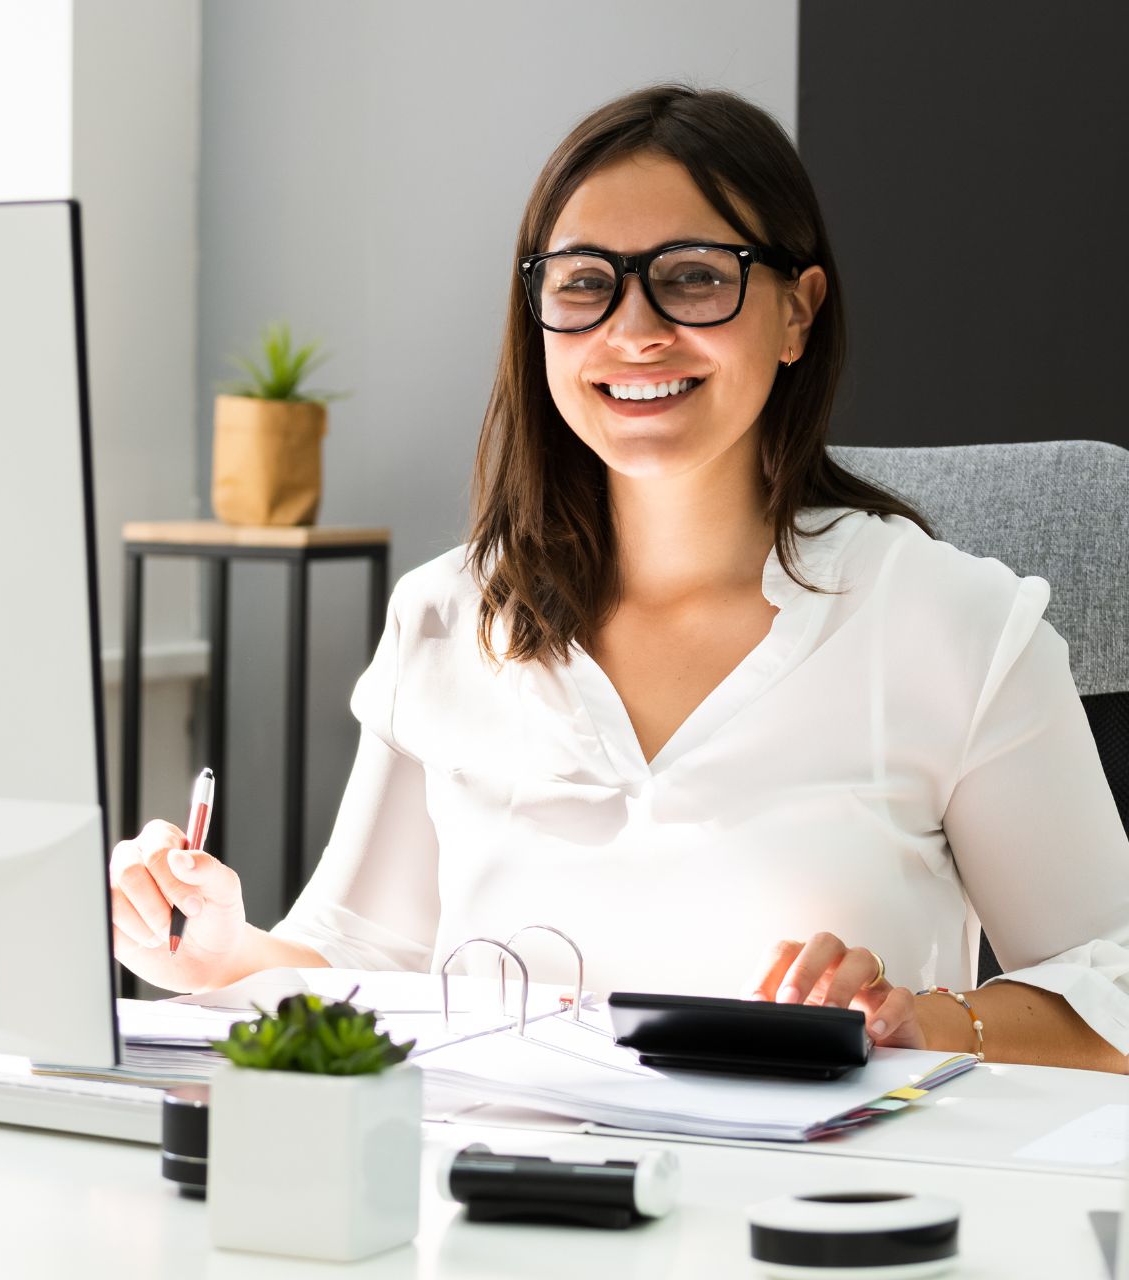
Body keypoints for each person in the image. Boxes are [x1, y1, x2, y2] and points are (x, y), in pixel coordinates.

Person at [108, 83, 1128, 1072]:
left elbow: (1113, 984)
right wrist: (220, 950)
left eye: (692, 275)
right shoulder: (444, 614)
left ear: (797, 312)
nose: (633, 331)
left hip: (806, 1218)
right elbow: (360, 959)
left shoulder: (955, 623)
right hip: (495, 1217)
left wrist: (926, 1017)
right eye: (585, 281)